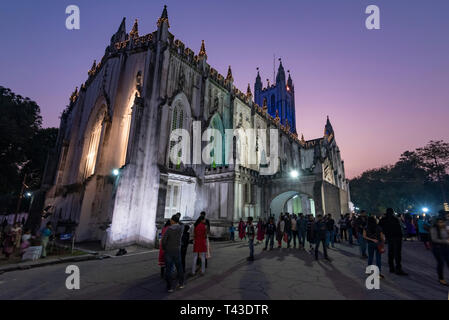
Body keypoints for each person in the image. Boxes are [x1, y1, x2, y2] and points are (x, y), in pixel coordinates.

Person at [379, 208, 408, 275]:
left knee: (391, 252)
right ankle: (398, 269)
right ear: (392, 212)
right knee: (397, 253)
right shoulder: (395, 219)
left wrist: (384, 234)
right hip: (397, 237)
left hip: (389, 237)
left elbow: (379, 228)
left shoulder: (383, 219)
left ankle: (391, 268)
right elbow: (399, 228)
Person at [161, 215, 184, 293]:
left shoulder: (169, 229)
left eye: (171, 219)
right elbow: (182, 224)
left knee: (168, 269)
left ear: (173, 221)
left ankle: (169, 287)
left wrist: (164, 248)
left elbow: (163, 241)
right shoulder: (180, 228)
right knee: (179, 267)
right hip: (177, 250)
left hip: (169, 250)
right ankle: (181, 283)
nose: (170, 220)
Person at [429, 218, 449, 286]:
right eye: (439, 222)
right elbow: (434, 239)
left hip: (446, 247)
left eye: (442, 222)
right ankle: (441, 278)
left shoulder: (445, 228)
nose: (441, 224)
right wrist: (446, 241)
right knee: (441, 263)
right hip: (437, 248)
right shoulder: (433, 229)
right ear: (436, 223)